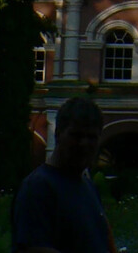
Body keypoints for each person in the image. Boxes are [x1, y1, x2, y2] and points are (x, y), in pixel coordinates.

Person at [12, 95, 117, 253]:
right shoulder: (38, 187)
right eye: (76, 135)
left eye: (91, 137)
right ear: (58, 134)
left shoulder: (89, 187)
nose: (84, 144)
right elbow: (36, 248)